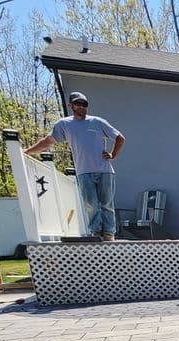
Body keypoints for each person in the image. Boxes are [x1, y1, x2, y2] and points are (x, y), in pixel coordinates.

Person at [25, 92, 125, 241]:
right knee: (90, 205)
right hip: (83, 172)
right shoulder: (64, 124)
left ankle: (109, 234)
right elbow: (48, 141)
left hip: (104, 171)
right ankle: (96, 233)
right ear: (70, 105)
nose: (81, 107)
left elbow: (119, 138)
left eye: (84, 104)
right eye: (78, 104)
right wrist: (27, 151)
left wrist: (113, 154)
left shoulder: (97, 122)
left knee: (107, 204)